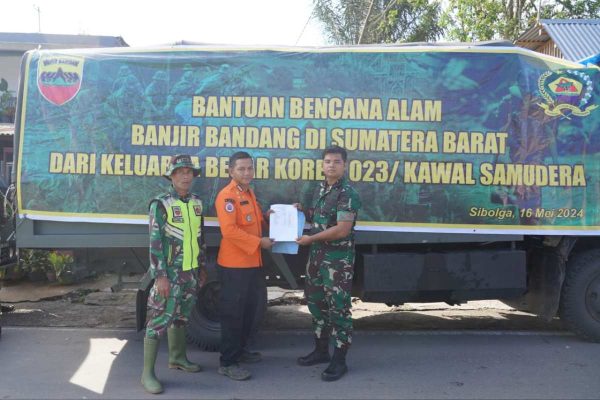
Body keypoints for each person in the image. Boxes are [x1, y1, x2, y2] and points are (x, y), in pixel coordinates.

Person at [295, 145, 361, 382]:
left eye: (336, 162)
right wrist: (299, 211)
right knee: (316, 305)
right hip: (316, 259)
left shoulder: (348, 194)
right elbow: (317, 217)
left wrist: (310, 239)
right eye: (328, 161)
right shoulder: (320, 189)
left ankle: (339, 360)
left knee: (339, 310)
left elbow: (342, 230)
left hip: (337, 261)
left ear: (344, 165)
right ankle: (321, 351)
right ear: (322, 165)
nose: (331, 165)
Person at [141, 154, 206, 394]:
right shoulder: (161, 204)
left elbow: (199, 237)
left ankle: (177, 358)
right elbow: (155, 241)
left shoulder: (197, 203)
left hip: (190, 272)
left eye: (189, 172)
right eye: (180, 172)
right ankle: (147, 374)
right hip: (170, 274)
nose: (185, 176)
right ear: (171, 176)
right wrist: (160, 276)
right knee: (159, 319)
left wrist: (201, 267)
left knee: (181, 317)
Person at [214, 151, 274, 381]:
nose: (247, 172)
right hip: (234, 266)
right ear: (231, 171)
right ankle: (228, 362)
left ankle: (240, 351)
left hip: (252, 263)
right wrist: (259, 243)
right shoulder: (227, 196)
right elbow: (229, 231)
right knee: (233, 314)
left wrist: (271, 215)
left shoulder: (248, 192)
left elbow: (254, 222)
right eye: (241, 169)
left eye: (250, 168)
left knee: (250, 310)